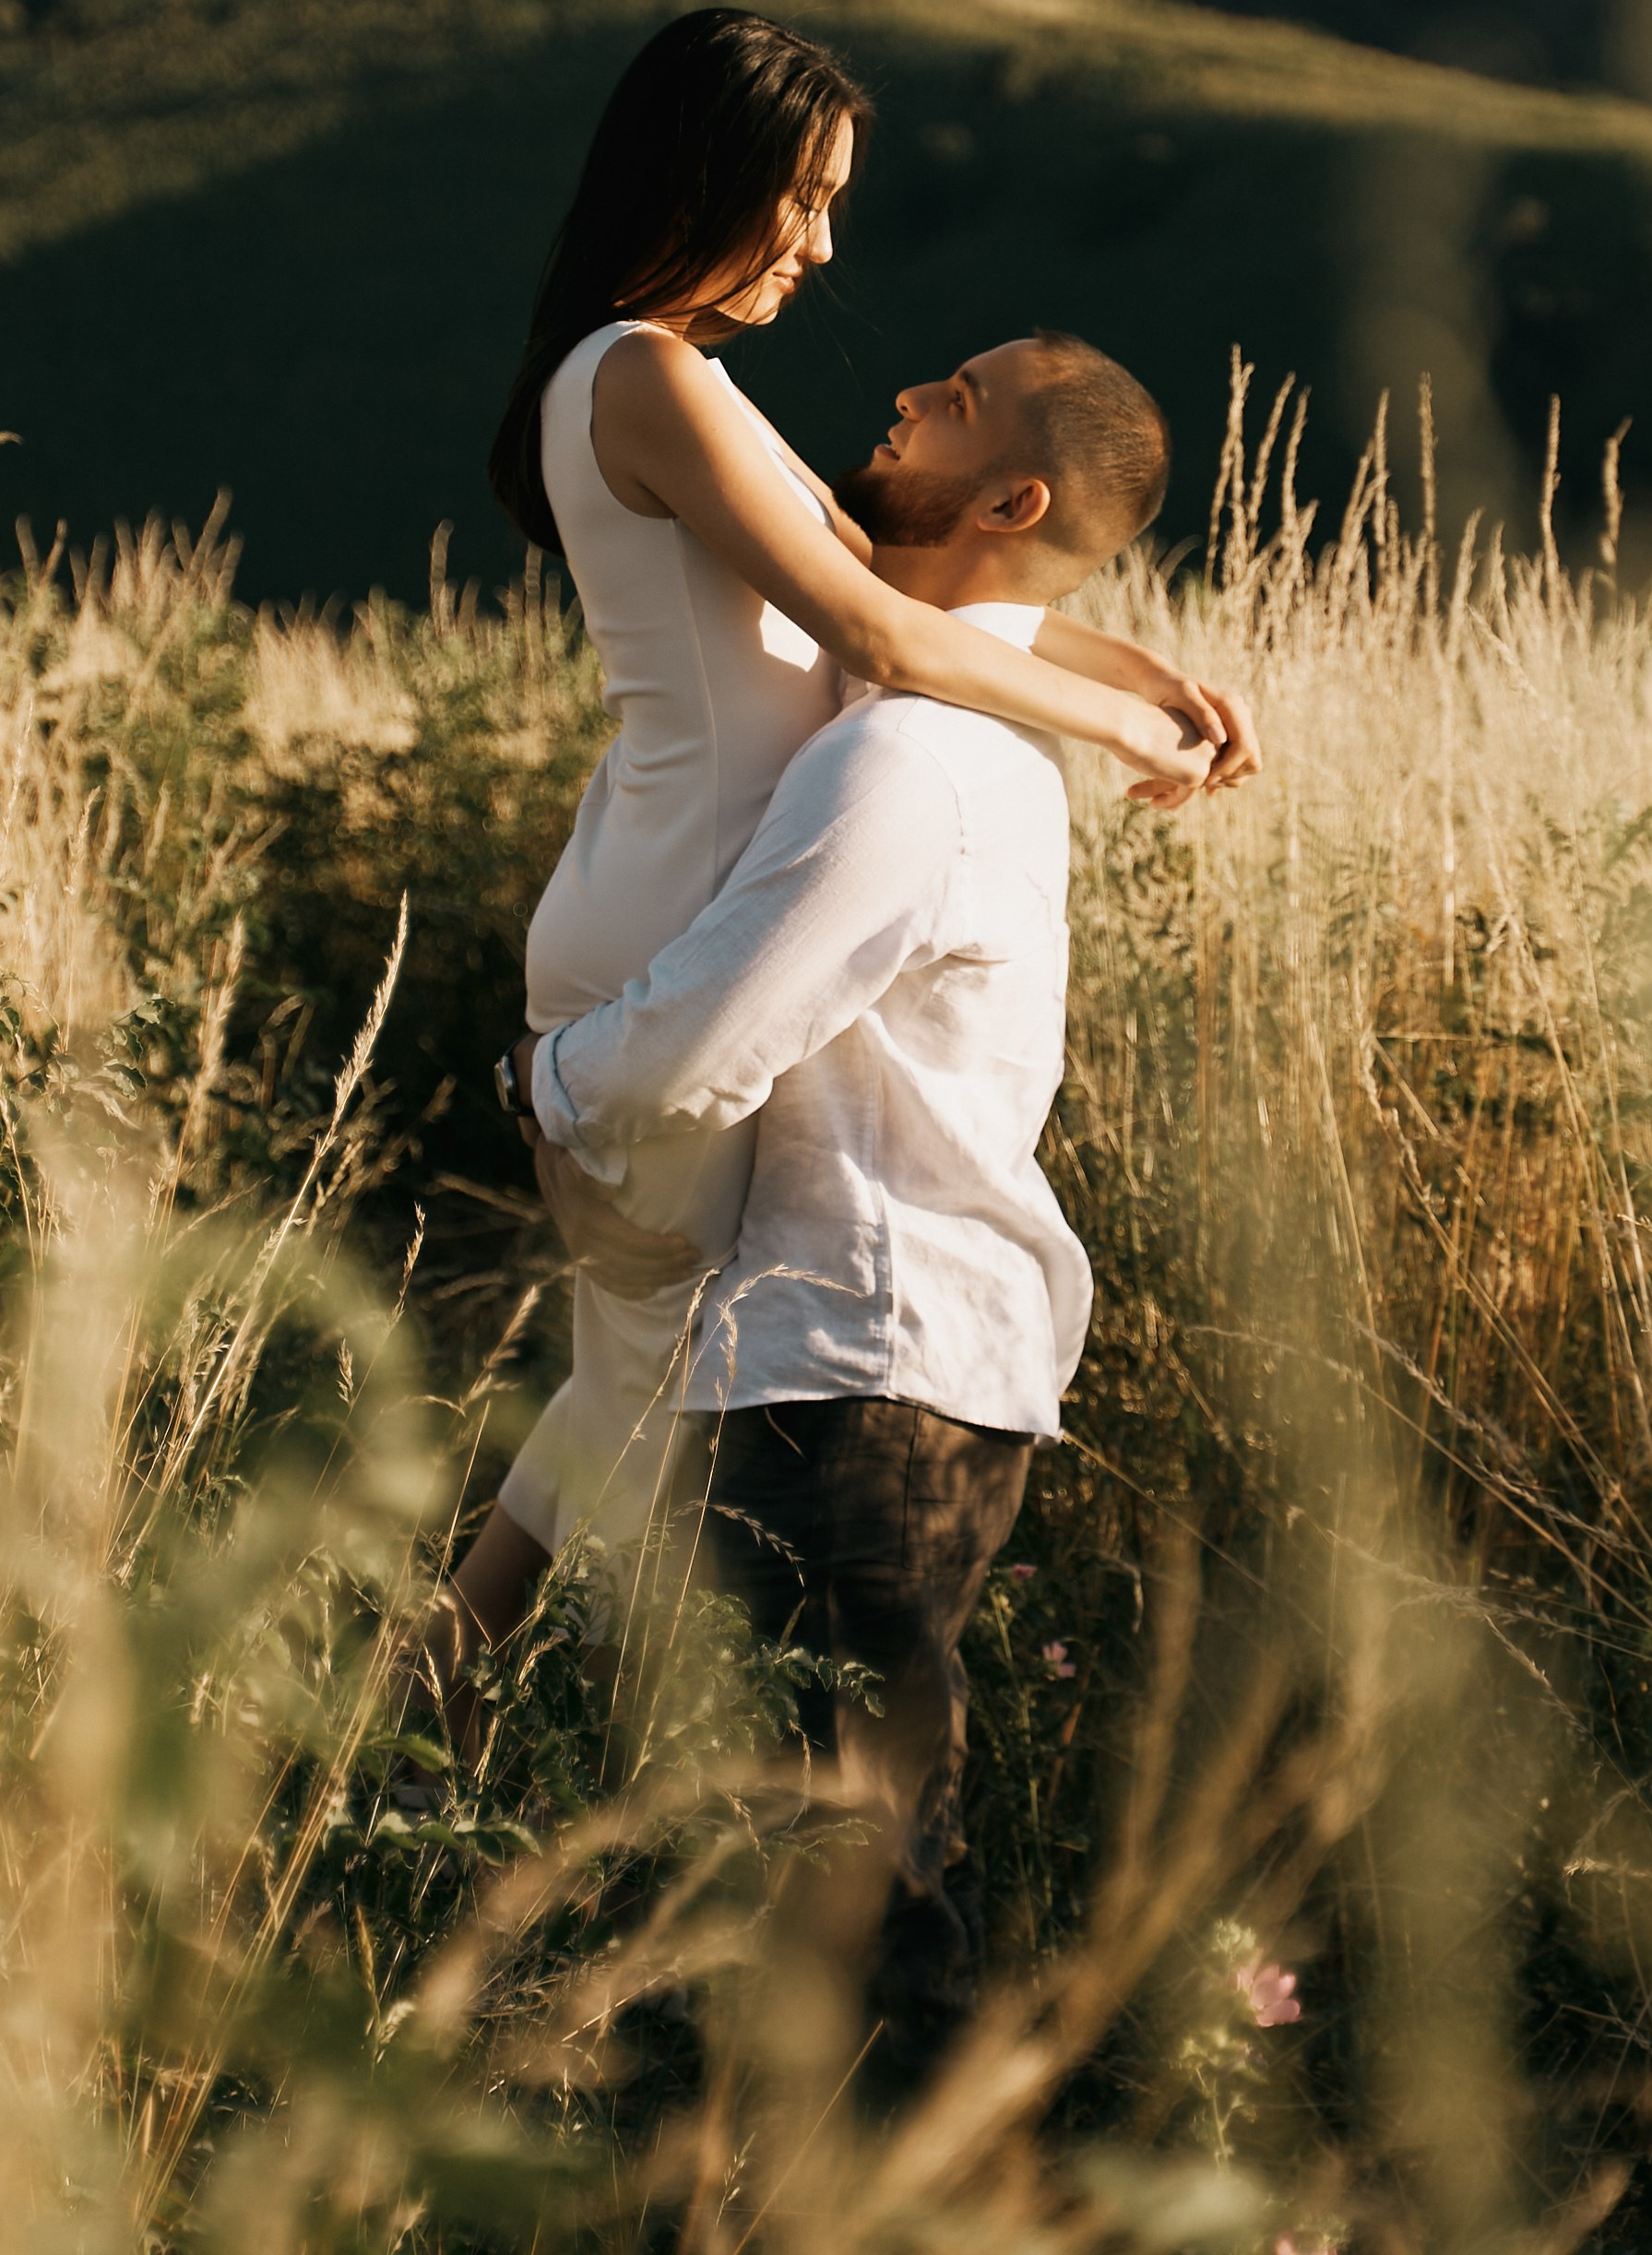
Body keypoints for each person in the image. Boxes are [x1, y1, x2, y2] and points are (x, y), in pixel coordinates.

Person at [442, 8, 1258, 1680]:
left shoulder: (698, 391)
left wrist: (1132, 664)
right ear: (708, 172)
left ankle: (451, 1682)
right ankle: (481, 1688)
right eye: (803, 198)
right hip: (675, 903)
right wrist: (1110, 727)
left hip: (689, 883)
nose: (821, 247)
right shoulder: (640, 376)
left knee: (640, 1359)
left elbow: (887, 580)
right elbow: (874, 635)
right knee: (649, 1367)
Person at [517, 329, 1204, 2088]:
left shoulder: (906, 763)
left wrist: (546, 1082)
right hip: (891, 1372)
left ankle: (920, 2186)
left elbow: (698, 1050)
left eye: (951, 402)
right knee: (819, 1893)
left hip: (853, 1375)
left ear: (1011, 499)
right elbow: (845, 566)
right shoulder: (950, 734)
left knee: (840, 1913)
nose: (901, 394)